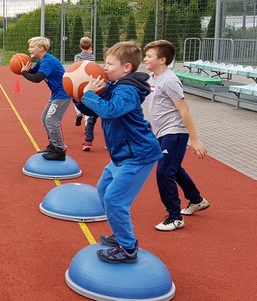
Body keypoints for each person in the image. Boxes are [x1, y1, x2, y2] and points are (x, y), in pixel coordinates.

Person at [77, 41, 163, 264]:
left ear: (126, 68)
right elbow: (96, 109)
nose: (104, 68)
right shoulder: (115, 86)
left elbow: (111, 110)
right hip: (121, 156)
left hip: (138, 156)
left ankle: (128, 248)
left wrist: (89, 94)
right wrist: (80, 96)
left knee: (115, 200)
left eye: (109, 63)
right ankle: (121, 235)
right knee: (104, 190)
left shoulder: (127, 90)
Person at [143, 40, 210, 231]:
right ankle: (196, 199)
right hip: (162, 133)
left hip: (175, 132)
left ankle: (174, 217)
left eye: (149, 56)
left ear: (162, 59)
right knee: (173, 167)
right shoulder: (153, 77)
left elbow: (184, 110)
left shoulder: (169, 80)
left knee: (164, 173)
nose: (145, 59)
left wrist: (194, 140)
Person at [21, 36, 72, 160]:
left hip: (63, 95)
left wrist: (24, 73)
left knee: (51, 120)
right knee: (45, 118)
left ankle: (60, 150)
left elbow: (37, 78)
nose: (29, 49)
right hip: (56, 94)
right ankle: (53, 146)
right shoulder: (41, 61)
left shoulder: (48, 61)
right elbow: (34, 73)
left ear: (41, 48)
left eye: (32, 47)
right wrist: (26, 70)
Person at [72, 37, 99, 151]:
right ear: (91, 47)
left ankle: (79, 112)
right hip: (90, 81)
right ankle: (87, 123)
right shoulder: (92, 57)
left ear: (80, 46)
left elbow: (76, 67)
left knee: (76, 98)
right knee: (89, 102)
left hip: (80, 80)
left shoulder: (78, 56)